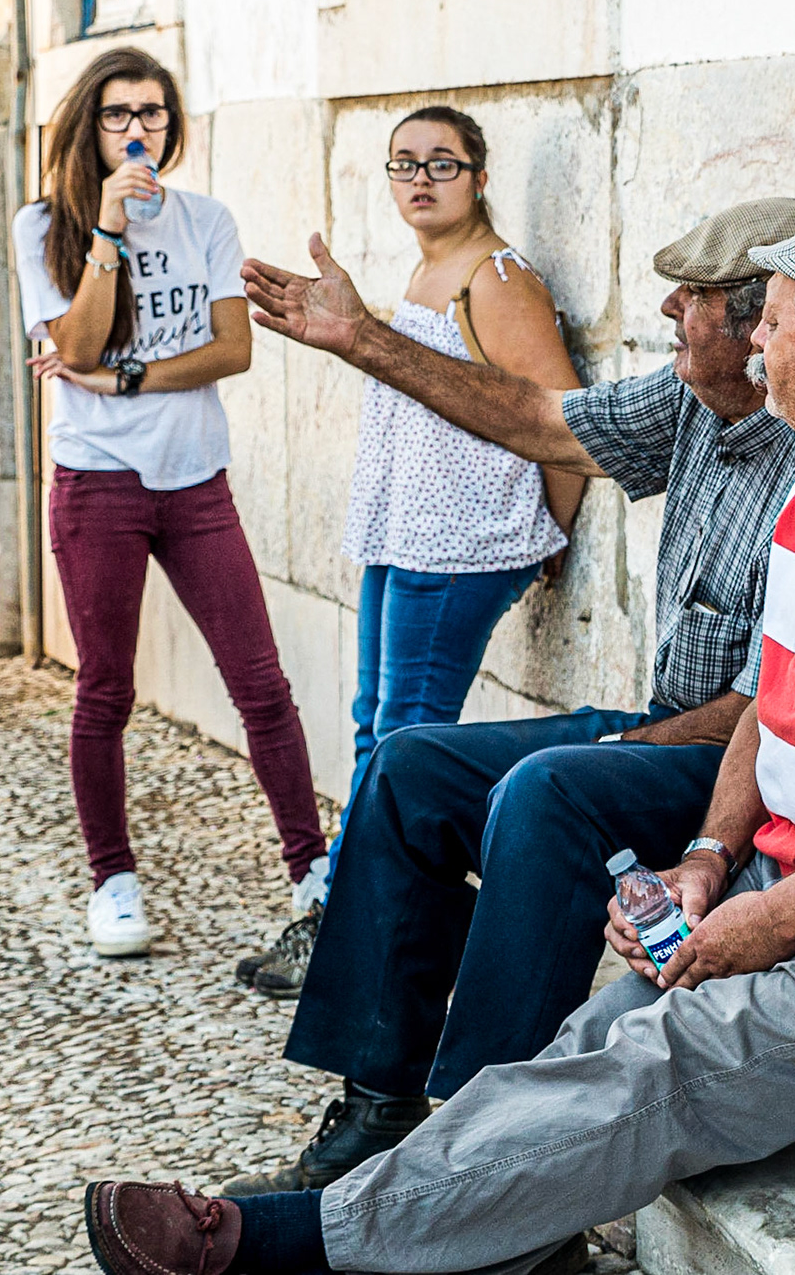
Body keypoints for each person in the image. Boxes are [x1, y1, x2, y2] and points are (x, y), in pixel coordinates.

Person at [85, 215, 795, 1275]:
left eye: (770, 322)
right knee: (580, 1049)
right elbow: (774, 699)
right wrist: (710, 858)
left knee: (648, 1071)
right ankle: (443, 1225)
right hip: (786, 873)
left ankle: (276, 1248)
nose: (756, 342)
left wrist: (775, 919)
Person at [208, 198, 795, 1192]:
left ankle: (484, 1162)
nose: (667, 308)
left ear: (761, 327)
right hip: (665, 728)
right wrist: (362, 338)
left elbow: (769, 704)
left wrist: (622, 745)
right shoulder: (697, 403)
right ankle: (376, 1109)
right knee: (408, 766)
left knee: (546, 792)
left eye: (694, 295)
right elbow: (539, 420)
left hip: (741, 764)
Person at [230, 105, 588, 998]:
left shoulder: (498, 281)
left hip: (461, 547)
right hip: (401, 534)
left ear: (480, 176)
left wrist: (548, 533)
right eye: (404, 164)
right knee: (375, 727)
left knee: (403, 740)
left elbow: (565, 422)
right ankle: (362, 922)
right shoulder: (426, 269)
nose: (421, 179)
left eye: (442, 163)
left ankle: (359, 939)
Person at [12, 46, 323, 959]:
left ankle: (312, 872)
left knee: (259, 683)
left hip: (195, 480)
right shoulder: (44, 228)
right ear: (89, 128)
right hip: (96, 482)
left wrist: (129, 378)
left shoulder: (206, 220)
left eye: (152, 112)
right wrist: (107, 234)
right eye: (118, 114)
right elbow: (75, 346)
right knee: (104, 688)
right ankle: (112, 881)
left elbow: (233, 349)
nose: (138, 130)